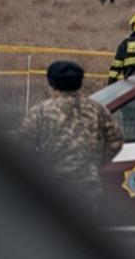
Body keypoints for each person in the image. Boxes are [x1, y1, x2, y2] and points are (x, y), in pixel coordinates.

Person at [18, 61, 125, 210]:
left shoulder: (40, 112)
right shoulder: (96, 109)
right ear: (80, 83)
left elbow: (24, 147)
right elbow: (116, 140)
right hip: (86, 185)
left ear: (51, 83)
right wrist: (94, 162)